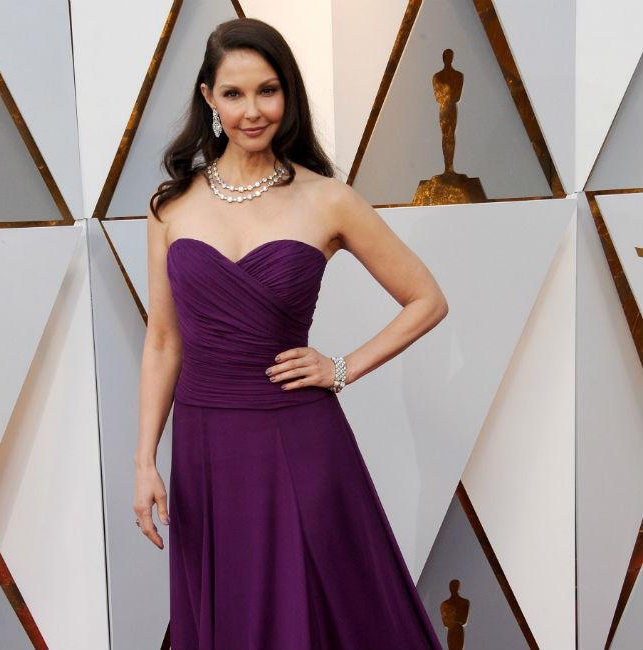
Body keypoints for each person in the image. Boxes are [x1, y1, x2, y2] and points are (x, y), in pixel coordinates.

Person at [133, 16, 448, 650]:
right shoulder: (171, 206)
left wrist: (342, 368)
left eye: (268, 90)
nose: (253, 110)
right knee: (231, 607)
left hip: (301, 438)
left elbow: (427, 299)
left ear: (289, 94)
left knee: (319, 606)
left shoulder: (327, 199)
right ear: (209, 98)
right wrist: (144, 460)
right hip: (205, 447)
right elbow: (164, 340)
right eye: (234, 93)